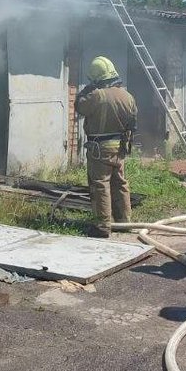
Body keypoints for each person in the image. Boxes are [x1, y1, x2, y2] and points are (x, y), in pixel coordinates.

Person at [75, 56, 138, 238]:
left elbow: (80, 107)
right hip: (120, 146)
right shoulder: (128, 96)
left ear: (97, 78)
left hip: (100, 148)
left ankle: (102, 226)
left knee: (101, 184)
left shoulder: (97, 95)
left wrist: (85, 91)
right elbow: (133, 122)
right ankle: (125, 223)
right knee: (120, 183)